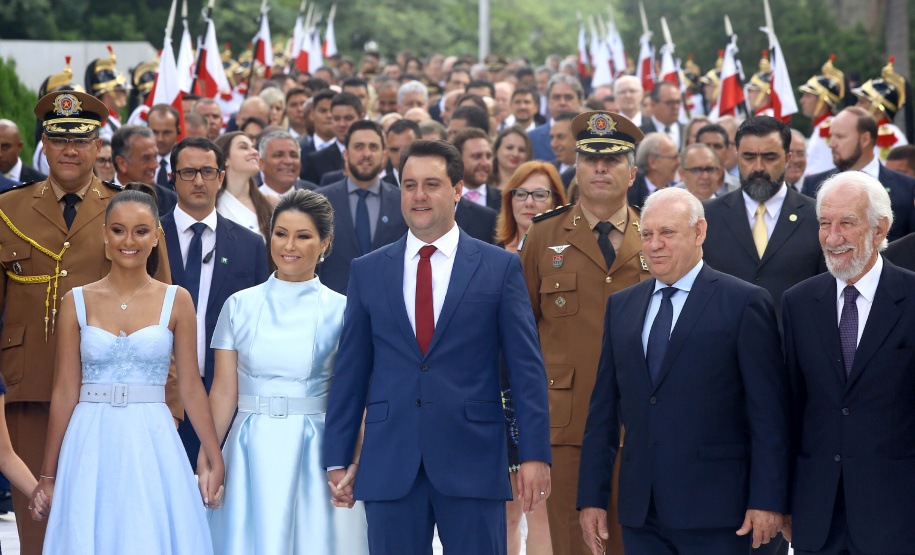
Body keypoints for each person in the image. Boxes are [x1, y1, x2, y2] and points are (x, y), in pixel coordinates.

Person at [324, 139, 551, 554]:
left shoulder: (500, 268)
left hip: (474, 461)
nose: (419, 196)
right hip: (390, 462)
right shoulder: (369, 270)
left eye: (431, 184)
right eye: (409, 185)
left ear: (458, 190)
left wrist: (535, 454)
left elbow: (526, 371)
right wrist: (337, 455)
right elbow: (352, 371)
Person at [0, 91, 176, 553]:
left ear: (99, 146)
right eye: (58, 140)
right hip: (30, 392)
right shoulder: (8, 210)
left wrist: (170, 407)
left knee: (115, 530)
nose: (70, 150)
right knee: (39, 528)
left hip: (114, 403)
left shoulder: (128, 208)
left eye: (81, 140)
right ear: (44, 145)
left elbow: (166, 317)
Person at [578, 187, 790, 555]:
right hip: (643, 515)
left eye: (668, 233)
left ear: (699, 232)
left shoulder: (744, 302)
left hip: (724, 515)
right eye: (647, 234)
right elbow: (603, 413)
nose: (655, 244)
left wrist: (769, 500)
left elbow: (769, 414)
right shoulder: (622, 307)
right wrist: (592, 498)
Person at [34, 188, 225, 552]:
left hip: (152, 435)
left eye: (141, 231)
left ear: (156, 236)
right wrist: (48, 473)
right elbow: (64, 390)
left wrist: (214, 455)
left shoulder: (177, 299)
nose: (129, 240)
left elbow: (190, 388)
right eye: (119, 230)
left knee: (147, 531)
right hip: (89, 435)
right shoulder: (75, 300)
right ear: (105, 234)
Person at [202, 189, 369, 554]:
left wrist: (355, 459)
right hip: (248, 448)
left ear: (325, 243)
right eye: (280, 233)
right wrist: (208, 456)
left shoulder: (343, 310)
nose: (288, 245)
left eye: (303, 235)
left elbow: (354, 397)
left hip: (317, 451)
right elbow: (224, 392)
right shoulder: (239, 306)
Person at [520, 111, 651, 555]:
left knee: (635, 543)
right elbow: (521, 338)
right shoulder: (542, 236)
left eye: (612, 161)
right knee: (573, 546)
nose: (600, 168)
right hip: (568, 425)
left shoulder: (655, 234)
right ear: (576, 168)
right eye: (590, 159)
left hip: (641, 424)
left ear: (632, 173)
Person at [782, 171, 915, 555]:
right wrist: (784, 501)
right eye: (824, 223)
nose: (832, 237)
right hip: (816, 515)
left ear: (879, 229)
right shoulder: (798, 302)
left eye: (846, 223)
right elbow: (790, 408)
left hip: (897, 516)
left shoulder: (910, 297)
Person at [161, 137, 270, 467]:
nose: (198, 181)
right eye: (189, 172)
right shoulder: (148, 236)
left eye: (208, 172)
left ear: (221, 177)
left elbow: (257, 324)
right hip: (159, 393)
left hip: (222, 395)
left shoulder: (250, 245)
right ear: (172, 176)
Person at [496, 160, 566, 555]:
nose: (529, 202)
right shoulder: (488, 257)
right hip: (500, 395)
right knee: (506, 508)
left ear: (558, 200)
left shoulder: (571, 254)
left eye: (540, 194)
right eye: (520, 194)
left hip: (553, 395)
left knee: (541, 507)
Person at [702, 116, 825, 316]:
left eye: (769, 158)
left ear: (787, 159)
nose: (758, 167)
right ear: (737, 156)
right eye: (749, 157)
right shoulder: (706, 217)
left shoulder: (817, 218)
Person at [315, 120, 409, 295]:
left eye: (373, 147)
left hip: (390, 304)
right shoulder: (319, 201)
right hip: (333, 307)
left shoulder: (403, 200)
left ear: (384, 154)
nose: (366, 154)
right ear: (345, 154)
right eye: (359, 147)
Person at [802, 107, 915, 243]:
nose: (831, 144)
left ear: (865, 139)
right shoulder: (813, 186)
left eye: (840, 136)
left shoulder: (907, 187)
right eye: (832, 136)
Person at [214, 131, 278, 240]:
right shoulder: (211, 203)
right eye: (244, 147)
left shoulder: (270, 202)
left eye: (253, 147)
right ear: (225, 159)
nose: (255, 152)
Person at [851, 57, 909, 163]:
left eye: (862, 102)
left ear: (878, 109)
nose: (856, 105)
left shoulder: (889, 134)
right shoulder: (870, 131)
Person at [799, 56, 845, 175]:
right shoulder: (822, 126)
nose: (802, 100)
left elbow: (826, 169)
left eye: (808, 96)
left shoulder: (829, 128)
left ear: (822, 101)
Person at [528, 74, 584, 161]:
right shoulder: (531, 139)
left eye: (568, 97)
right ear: (548, 102)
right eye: (556, 97)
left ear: (579, 101)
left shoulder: (591, 136)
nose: (562, 102)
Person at [628, 132, 681, 210]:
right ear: (653, 162)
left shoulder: (680, 189)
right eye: (674, 157)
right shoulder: (630, 191)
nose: (679, 162)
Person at [638, 82, 682, 148]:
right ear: (653, 105)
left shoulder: (688, 132)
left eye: (678, 102)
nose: (676, 107)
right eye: (670, 102)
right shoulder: (639, 136)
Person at [147, 104, 181, 188]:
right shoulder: (136, 164)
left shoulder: (187, 164)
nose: (160, 139)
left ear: (178, 131)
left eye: (167, 132)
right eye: (154, 132)